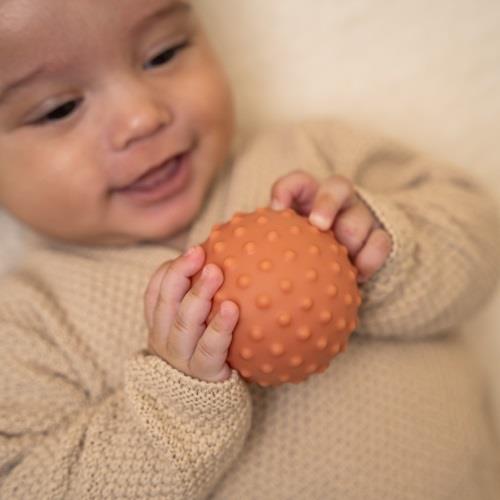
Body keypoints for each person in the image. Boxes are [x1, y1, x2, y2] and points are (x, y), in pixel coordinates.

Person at [0, 0, 499, 498]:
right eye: (59, 109)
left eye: (163, 53)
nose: (142, 117)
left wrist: (385, 249)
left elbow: (479, 239)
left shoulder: (317, 160)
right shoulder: (26, 327)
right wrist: (175, 401)